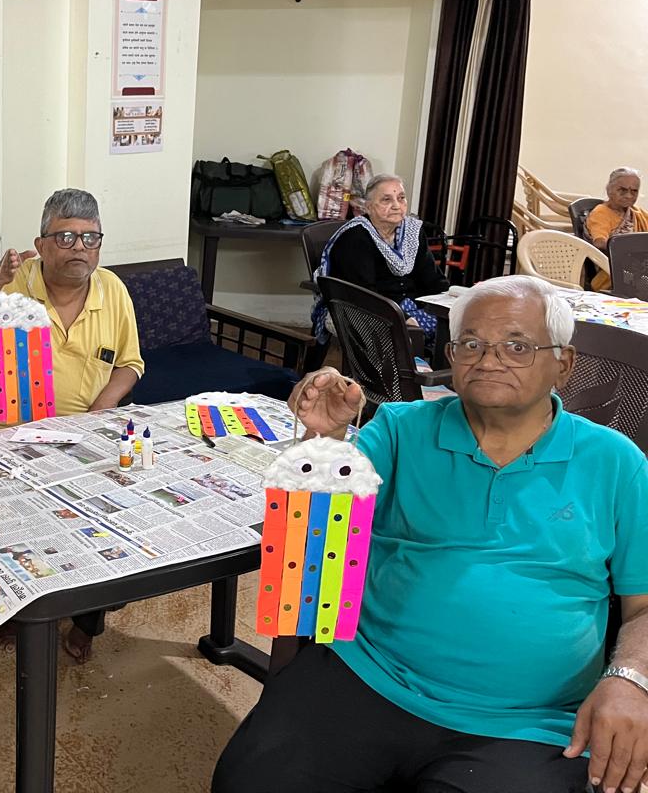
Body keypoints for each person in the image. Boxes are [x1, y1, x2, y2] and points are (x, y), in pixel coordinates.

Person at [213, 275, 648, 793]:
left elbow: (643, 608)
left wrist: (630, 680)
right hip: (368, 676)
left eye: (516, 345)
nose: (489, 360)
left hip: (528, 721)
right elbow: (310, 552)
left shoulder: (617, 463)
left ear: (564, 364)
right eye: (471, 344)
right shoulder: (400, 430)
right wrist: (322, 440)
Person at [0, 188, 145, 663]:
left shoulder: (113, 289)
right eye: (67, 236)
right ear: (42, 242)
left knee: (114, 523)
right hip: (6, 437)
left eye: (90, 238)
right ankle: (17, 609)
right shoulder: (13, 286)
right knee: (14, 526)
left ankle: (86, 620)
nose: (80, 247)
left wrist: (101, 410)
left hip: (84, 435)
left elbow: (131, 365)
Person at [312, 173, 449, 345]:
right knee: (409, 332)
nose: (396, 206)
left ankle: (436, 370)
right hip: (366, 308)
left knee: (459, 325)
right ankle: (409, 370)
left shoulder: (412, 232)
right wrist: (404, 318)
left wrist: (452, 302)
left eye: (401, 198)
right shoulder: (356, 237)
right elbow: (363, 293)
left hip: (411, 304)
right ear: (368, 207)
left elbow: (432, 278)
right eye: (386, 200)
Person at [586, 167, 647, 292]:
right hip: (615, 271)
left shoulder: (637, 213)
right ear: (609, 190)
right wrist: (629, 250)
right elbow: (600, 242)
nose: (629, 195)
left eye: (634, 191)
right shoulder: (601, 212)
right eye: (622, 190)